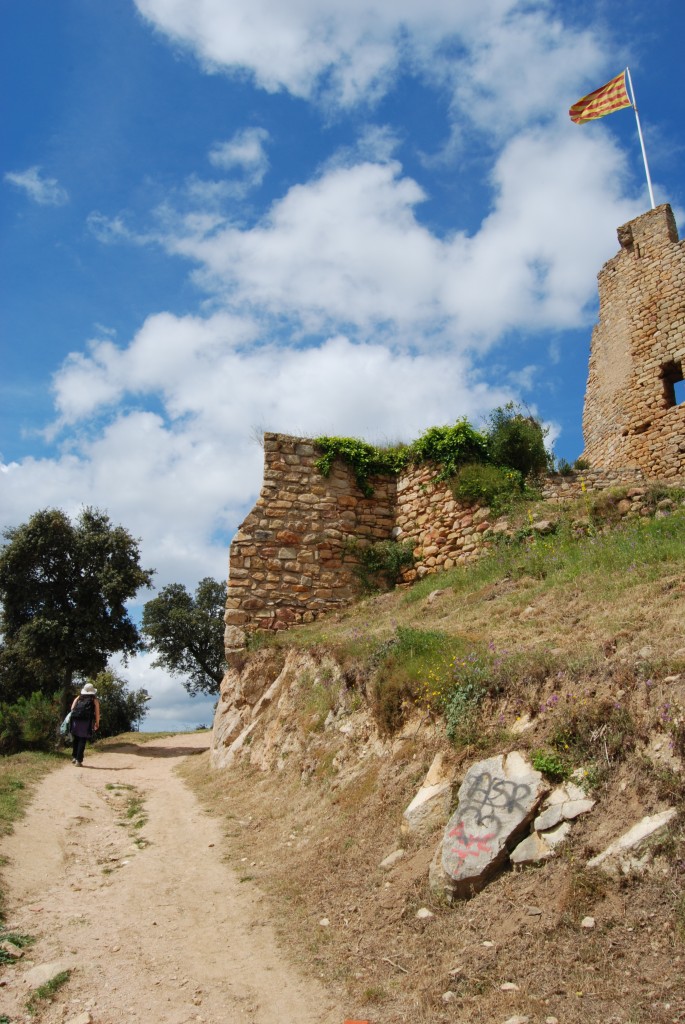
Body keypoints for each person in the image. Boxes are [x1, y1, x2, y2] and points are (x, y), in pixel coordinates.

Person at [69, 682, 100, 766]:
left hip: (76, 720)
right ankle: (79, 761)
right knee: (82, 740)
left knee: (76, 739)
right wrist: (97, 723)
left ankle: (74, 757)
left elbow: (72, 708)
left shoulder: (79, 698)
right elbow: (97, 713)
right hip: (86, 722)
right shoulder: (94, 700)